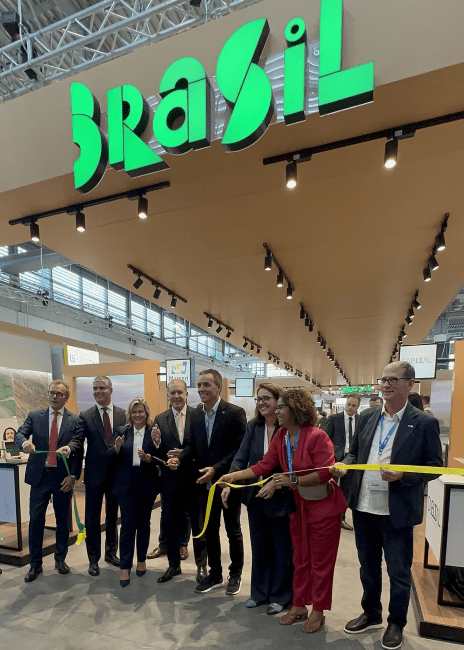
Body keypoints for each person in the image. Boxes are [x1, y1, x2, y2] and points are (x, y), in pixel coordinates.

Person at [331, 361, 442, 650]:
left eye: (393, 379)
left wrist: (404, 475)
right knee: (368, 566)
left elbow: (434, 466)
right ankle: (371, 613)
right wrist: (346, 465)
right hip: (364, 507)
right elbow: (355, 453)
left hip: (397, 511)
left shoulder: (424, 423)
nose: (386, 384)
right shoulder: (368, 417)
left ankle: (396, 622)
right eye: (383, 379)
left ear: (410, 384)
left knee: (398, 572)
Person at [220, 388, 346, 634]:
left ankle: (318, 611)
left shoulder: (317, 437)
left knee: (320, 563)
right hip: (299, 507)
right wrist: (233, 476)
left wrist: (292, 481)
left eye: (281, 407)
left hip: (323, 509)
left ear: (295, 409)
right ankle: (299, 605)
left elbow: (324, 473)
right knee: (300, 559)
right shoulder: (282, 436)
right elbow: (263, 465)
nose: (276, 411)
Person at [221, 382, 293, 615]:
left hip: (282, 496)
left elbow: (295, 464)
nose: (262, 403)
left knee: (281, 548)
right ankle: (260, 593)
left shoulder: (289, 427)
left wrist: (277, 482)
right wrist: (230, 482)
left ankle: (280, 596)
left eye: (266, 398)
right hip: (255, 496)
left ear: (279, 401)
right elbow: (242, 457)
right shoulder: (254, 426)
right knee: (260, 547)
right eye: (258, 399)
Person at [14, 380, 81, 582]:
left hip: (62, 478)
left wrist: (73, 476)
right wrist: (24, 443)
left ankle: (60, 559)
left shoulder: (74, 420)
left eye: (59, 394)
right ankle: (35, 564)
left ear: (66, 397)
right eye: (52, 393)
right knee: (36, 520)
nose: (54, 397)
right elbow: (20, 434)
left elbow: (78, 448)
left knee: (63, 520)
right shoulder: (35, 416)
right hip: (39, 477)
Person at [188, 369, 247, 595]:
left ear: (218, 387)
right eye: (199, 385)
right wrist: (178, 458)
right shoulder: (195, 414)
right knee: (210, 530)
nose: (202, 389)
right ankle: (215, 574)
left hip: (228, 483)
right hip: (205, 485)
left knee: (233, 530)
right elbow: (193, 446)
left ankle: (235, 574)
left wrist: (217, 469)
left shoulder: (234, 413)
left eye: (206, 385)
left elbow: (239, 450)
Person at [149, 379, 208, 584]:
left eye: (179, 392)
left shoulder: (198, 415)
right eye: (172, 393)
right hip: (170, 481)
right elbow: (157, 453)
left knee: (198, 525)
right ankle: (173, 565)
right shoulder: (160, 418)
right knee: (170, 524)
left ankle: (201, 566)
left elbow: (201, 446)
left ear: (186, 395)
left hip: (194, 479)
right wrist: (157, 443)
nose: (176, 396)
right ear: (168, 396)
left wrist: (182, 456)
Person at [110, 397, 169, 587]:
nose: (137, 415)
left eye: (140, 412)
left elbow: (162, 458)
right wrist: (117, 448)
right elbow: (111, 457)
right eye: (134, 412)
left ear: (146, 413)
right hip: (125, 485)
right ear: (130, 414)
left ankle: (141, 559)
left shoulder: (154, 432)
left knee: (144, 524)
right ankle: (125, 566)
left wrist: (155, 448)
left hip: (146, 483)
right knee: (127, 525)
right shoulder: (122, 431)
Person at [72, 376, 126, 576]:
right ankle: (93, 560)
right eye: (95, 388)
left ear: (111, 390)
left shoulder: (122, 414)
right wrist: (73, 468)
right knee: (92, 518)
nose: (98, 391)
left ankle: (111, 553)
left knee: (113, 516)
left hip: (116, 474)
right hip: (94, 475)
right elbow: (78, 444)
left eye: (102, 388)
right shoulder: (85, 415)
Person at [323, 394, 361, 530]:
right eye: (348, 404)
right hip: (334, 459)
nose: (350, 407)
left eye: (353, 405)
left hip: (352, 460)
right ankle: (327, 517)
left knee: (346, 491)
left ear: (358, 407)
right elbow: (325, 439)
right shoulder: (334, 419)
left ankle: (341, 518)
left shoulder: (360, 420)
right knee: (330, 489)